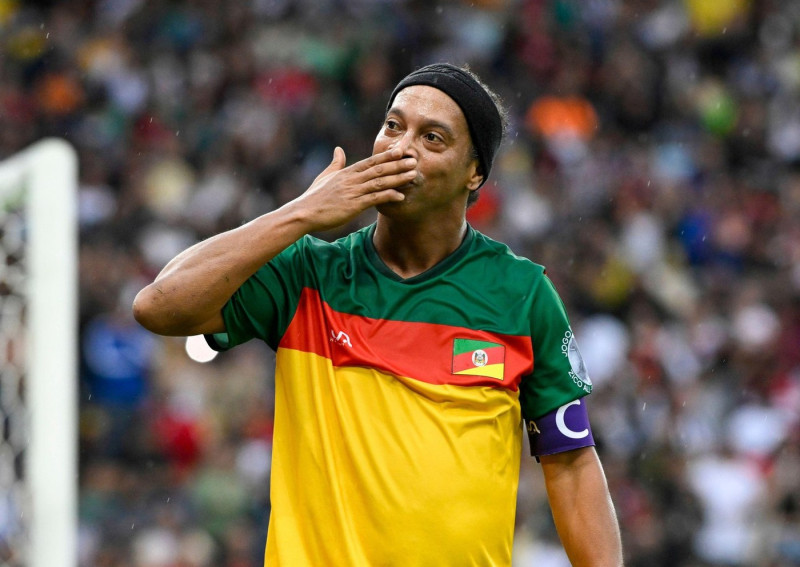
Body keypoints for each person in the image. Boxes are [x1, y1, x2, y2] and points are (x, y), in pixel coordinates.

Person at [133, 63, 623, 566]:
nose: (401, 148)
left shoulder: (521, 294)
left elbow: (570, 463)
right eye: (393, 126)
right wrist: (300, 213)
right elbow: (158, 305)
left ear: (474, 172)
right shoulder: (308, 273)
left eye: (432, 138)